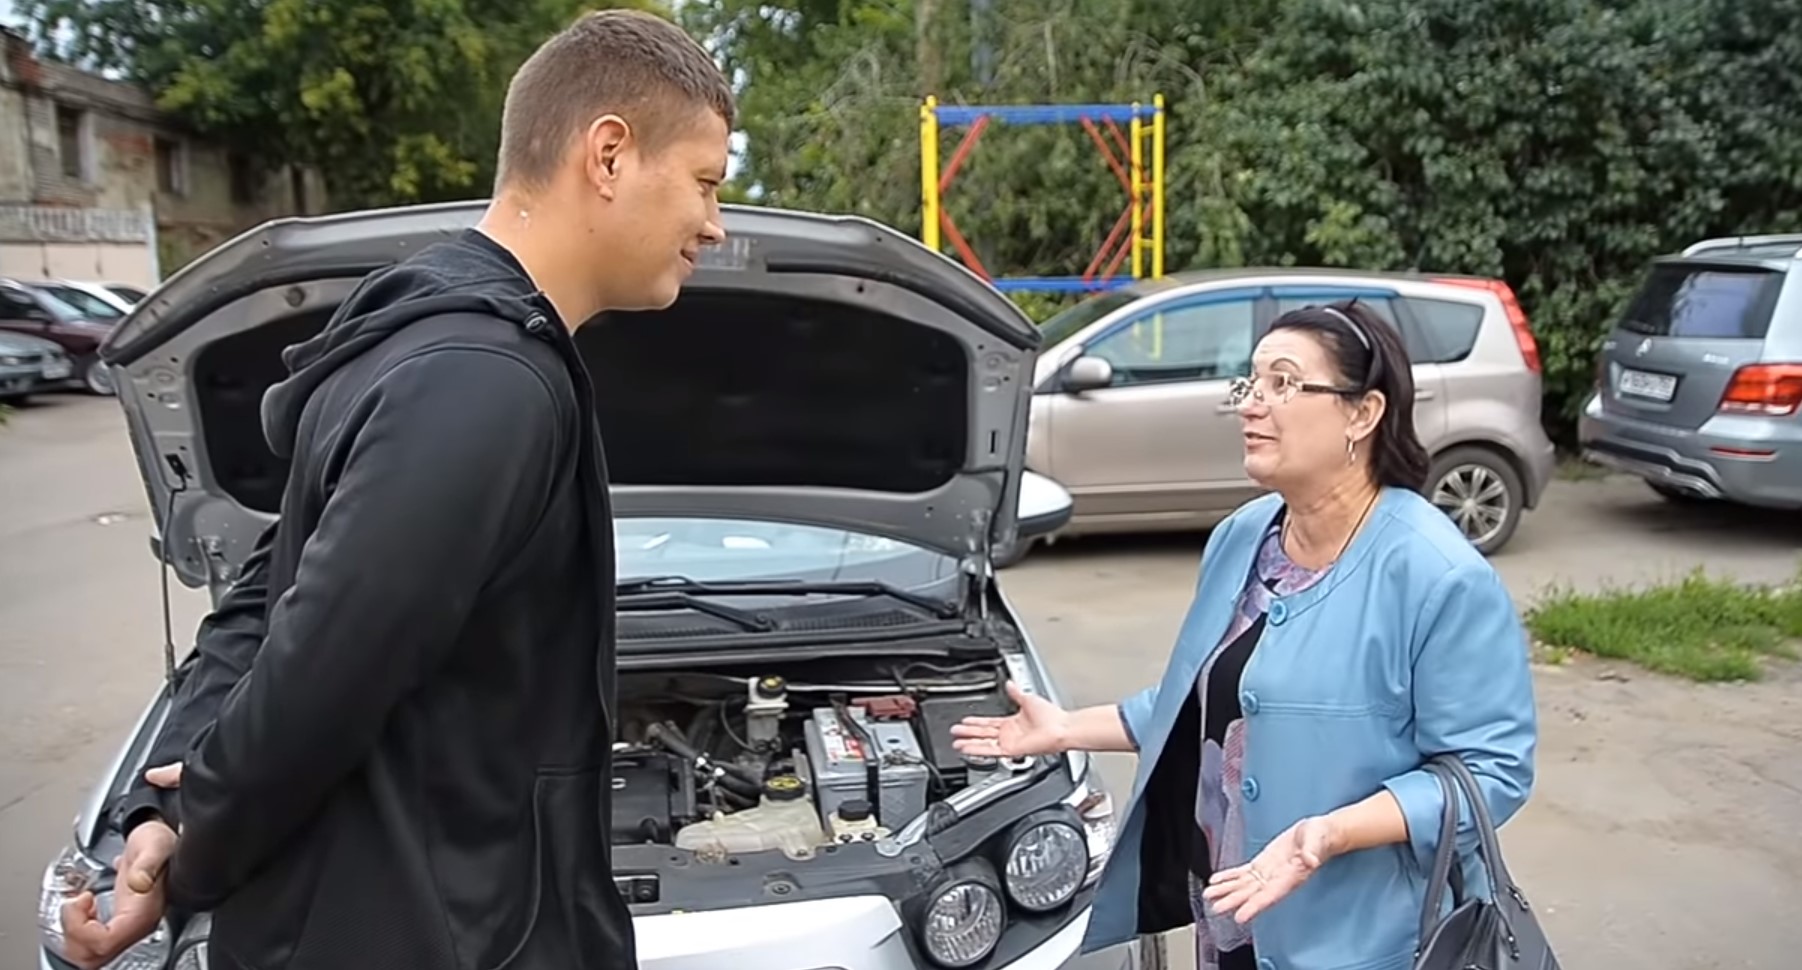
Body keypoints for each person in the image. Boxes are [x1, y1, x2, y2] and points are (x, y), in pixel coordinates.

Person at [57, 10, 734, 970]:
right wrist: (192, 838)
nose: (713, 222)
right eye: (706, 183)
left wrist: (168, 808)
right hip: (421, 932)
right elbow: (317, 676)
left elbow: (264, 593)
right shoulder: (484, 380)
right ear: (610, 154)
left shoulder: (415, 338)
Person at [953, 301, 1538, 970]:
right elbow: (1207, 699)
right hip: (1231, 913)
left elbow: (1493, 772)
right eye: (1251, 383)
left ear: (1362, 413)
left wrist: (1328, 835)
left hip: (1362, 940)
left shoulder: (1438, 576)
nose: (1253, 405)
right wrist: (1064, 728)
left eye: (1284, 383)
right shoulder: (1243, 538)